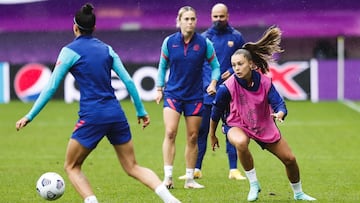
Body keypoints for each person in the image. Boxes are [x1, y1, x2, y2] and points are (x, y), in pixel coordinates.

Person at [15, 3, 180, 203]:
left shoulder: (69, 51)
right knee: (132, 166)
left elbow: (50, 88)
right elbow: (128, 81)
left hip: (92, 115)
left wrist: (29, 115)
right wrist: (140, 110)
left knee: (71, 166)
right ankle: (171, 200)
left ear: (74, 27)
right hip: (116, 113)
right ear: (94, 28)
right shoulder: (107, 49)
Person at [209, 26, 316, 201]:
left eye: (240, 64)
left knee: (290, 159)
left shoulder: (265, 82)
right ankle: (253, 185)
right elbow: (216, 111)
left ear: (251, 64)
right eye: (234, 65)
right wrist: (212, 134)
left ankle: (298, 193)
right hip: (236, 123)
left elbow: (278, 103)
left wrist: (280, 113)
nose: (236, 68)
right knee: (241, 143)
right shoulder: (226, 87)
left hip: (262, 125)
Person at [178, 3, 246, 181]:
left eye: (221, 16)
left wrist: (231, 72)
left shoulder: (236, 37)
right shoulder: (204, 38)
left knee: (232, 129)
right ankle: (196, 169)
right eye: (215, 16)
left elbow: (245, 60)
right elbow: (196, 65)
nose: (218, 20)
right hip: (207, 92)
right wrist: (208, 84)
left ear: (227, 16)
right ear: (210, 16)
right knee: (201, 131)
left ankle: (233, 170)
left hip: (231, 91)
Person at [156, 6, 220, 189]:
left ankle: (190, 180)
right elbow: (162, 67)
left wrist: (213, 83)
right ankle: (168, 177)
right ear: (179, 21)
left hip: (195, 96)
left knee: (192, 137)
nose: (190, 22)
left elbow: (215, 66)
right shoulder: (169, 42)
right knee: (170, 132)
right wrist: (159, 88)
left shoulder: (205, 43)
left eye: (193, 19)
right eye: (186, 19)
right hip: (173, 94)